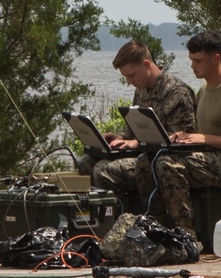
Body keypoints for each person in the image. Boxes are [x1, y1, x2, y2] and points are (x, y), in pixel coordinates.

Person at [134, 31, 221, 236]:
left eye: (198, 61)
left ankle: (185, 231)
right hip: (211, 156)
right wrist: (182, 138)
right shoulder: (204, 89)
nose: (193, 65)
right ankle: (157, 224)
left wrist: (206, 138)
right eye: (191, 60)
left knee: (167, 165)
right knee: (145, 162)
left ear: (215, 58)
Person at [80, 41, 197, 213]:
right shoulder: (141, 90)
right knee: (86, 163)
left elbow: (180, 140)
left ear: (146, 65)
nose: (129, 81)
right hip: (144, 155)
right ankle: (99, 221)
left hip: (164, 161)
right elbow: (134, 129)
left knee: (104, 171)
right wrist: (120, 138)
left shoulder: (176, 92)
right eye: (126, 77)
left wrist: (136, 143)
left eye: (131, 75)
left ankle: (126, 222)